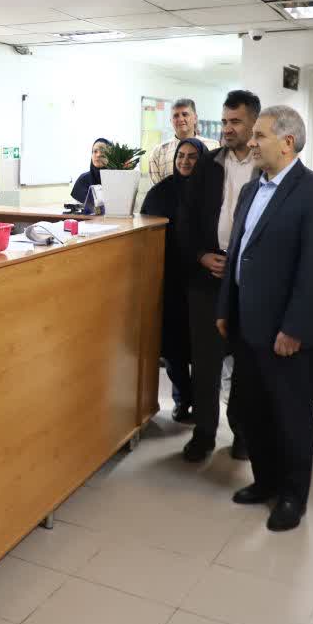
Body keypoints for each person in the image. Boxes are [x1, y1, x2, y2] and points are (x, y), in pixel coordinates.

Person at [216, 106, 313, 532]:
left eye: (260, 136)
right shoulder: (253, 188)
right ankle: (265, 481)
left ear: (287, 142)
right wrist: (225, 309)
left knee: (290, 417)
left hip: (285, 330)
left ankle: (292, 496)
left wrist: (295, 327)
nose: (251, 142)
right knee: (252, 411)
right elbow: (237, 253)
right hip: (246, 324)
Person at [176, 90, 260, 462]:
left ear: (254, 123)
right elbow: (187, 219)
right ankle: (204, 434)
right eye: (225, 121)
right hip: (208, 276)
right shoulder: (208, 164)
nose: (227, 128)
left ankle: (242, 433)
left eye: (236, 121)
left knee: (245, 362)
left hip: (249, 280)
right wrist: (200, 255)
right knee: (206, 362)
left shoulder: (266, 164)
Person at [140, 137, 205, 421]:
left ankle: (202, 403)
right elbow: (146, 232)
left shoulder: (213, 191)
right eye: (181, 156)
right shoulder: (161, 192)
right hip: (170, 280)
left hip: (203, 279)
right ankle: (182, 399)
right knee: (173, 345)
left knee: (202, 347)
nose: (185, 161)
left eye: (192, 156)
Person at [148, 99, 220, 185]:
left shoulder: (213, 146)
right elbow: (156, 189)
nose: (181, 119)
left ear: (195, 118)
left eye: (185, 114)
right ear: (171, 121)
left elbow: (218, 182)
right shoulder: (158, 152)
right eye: (176, 116)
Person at [70, 138, 111, 213]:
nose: (98, 155)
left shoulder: (117, 178)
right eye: (95, 151)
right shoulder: (83, 179)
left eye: (103, 152)